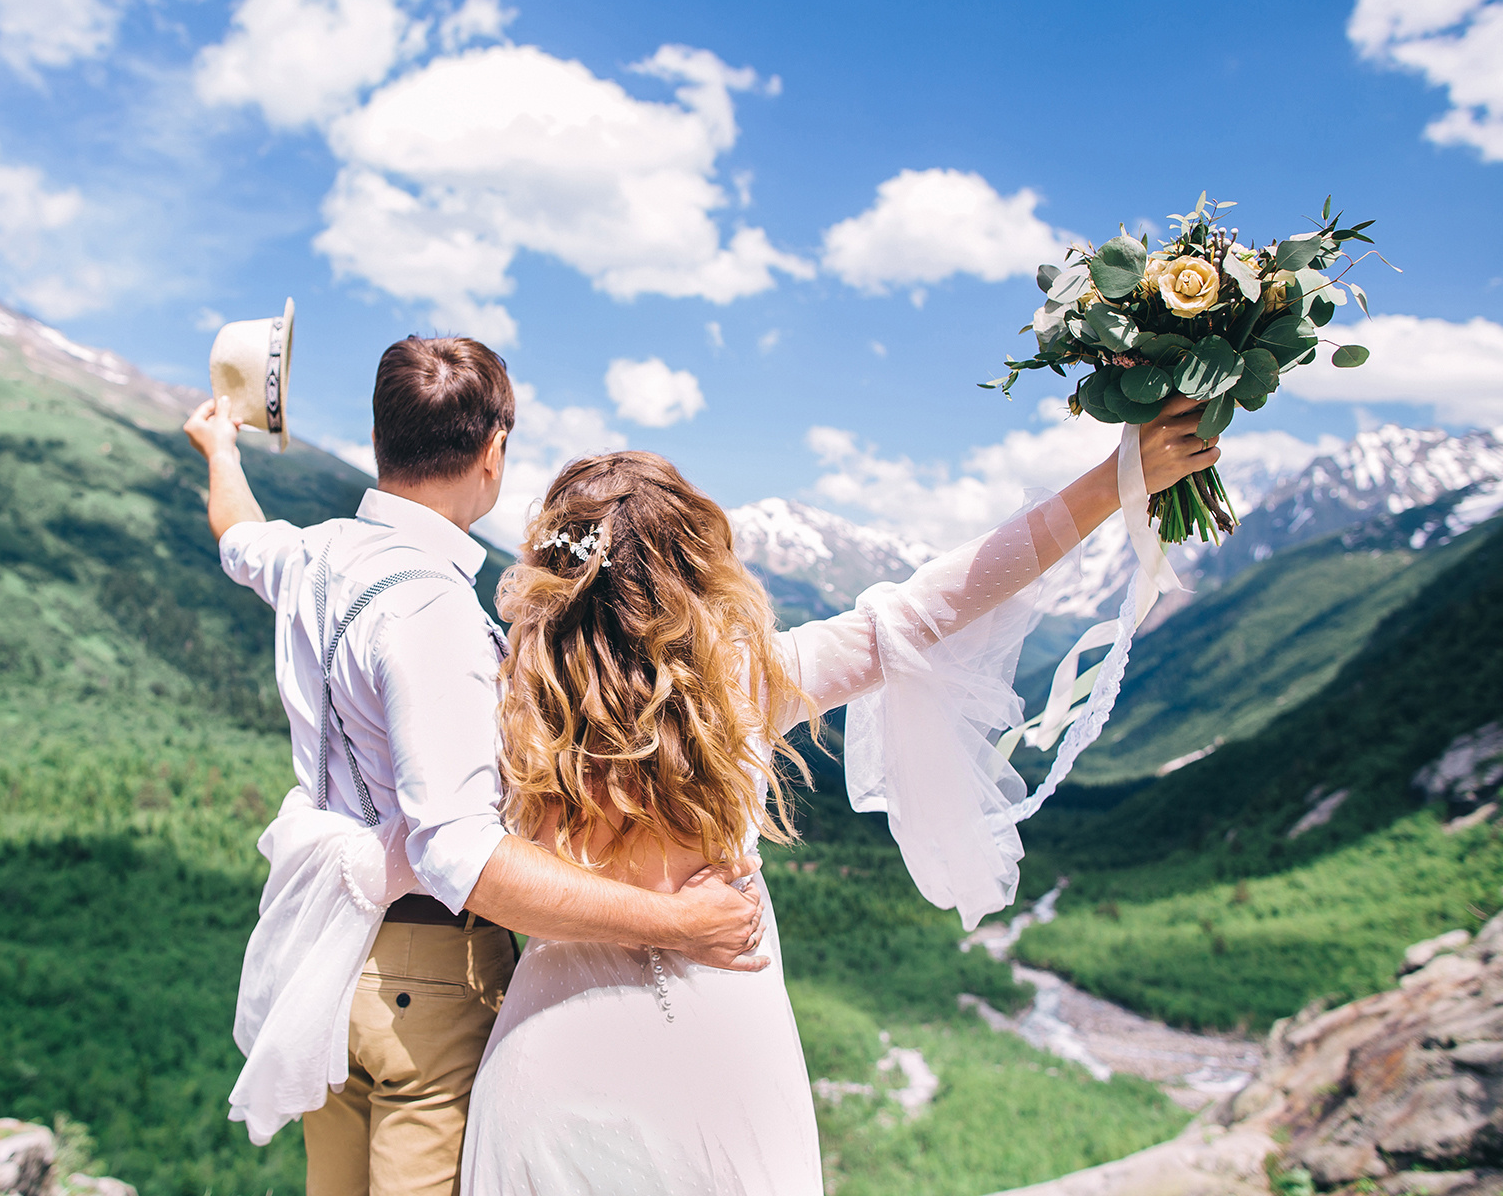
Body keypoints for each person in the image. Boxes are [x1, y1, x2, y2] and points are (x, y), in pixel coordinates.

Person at [460, 397, 1221, 1194]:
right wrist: (1116, 478)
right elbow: (937, 601)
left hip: (549, 1060)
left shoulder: (504, 705)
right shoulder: (744, 685)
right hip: (718, 1057)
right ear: (695, 571)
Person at [185, 336, 772, 1196]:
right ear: (493, 452)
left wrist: (221, 448)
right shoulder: (432, 609)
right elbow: (460, 854)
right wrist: (680, 925)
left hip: (327, 961)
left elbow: (239, 537)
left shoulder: (311, 556)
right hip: (431, 980)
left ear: (383, 436)